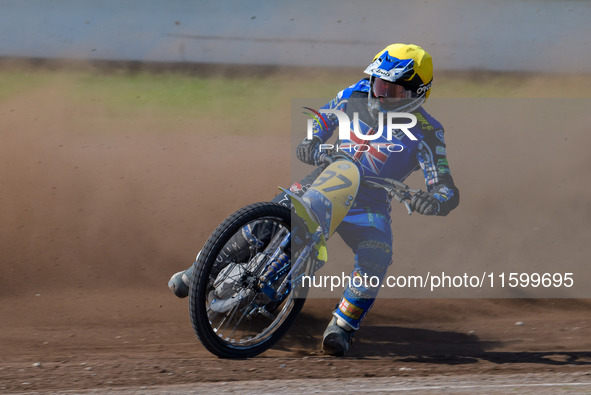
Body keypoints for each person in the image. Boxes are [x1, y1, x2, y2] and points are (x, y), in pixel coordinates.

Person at [168, 43, 459, 356]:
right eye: (378, 83)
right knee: (268, 219)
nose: (380, 93)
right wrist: (312, 141)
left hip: (370, 205)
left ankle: (342, 327)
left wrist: (433, 201)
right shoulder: (354, 94)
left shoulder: (429, 133)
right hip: (325, 177)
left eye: (392, 89)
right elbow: (322, 120)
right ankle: (200, 270)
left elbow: (445, 187)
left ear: (417, 93)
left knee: (377, 255)